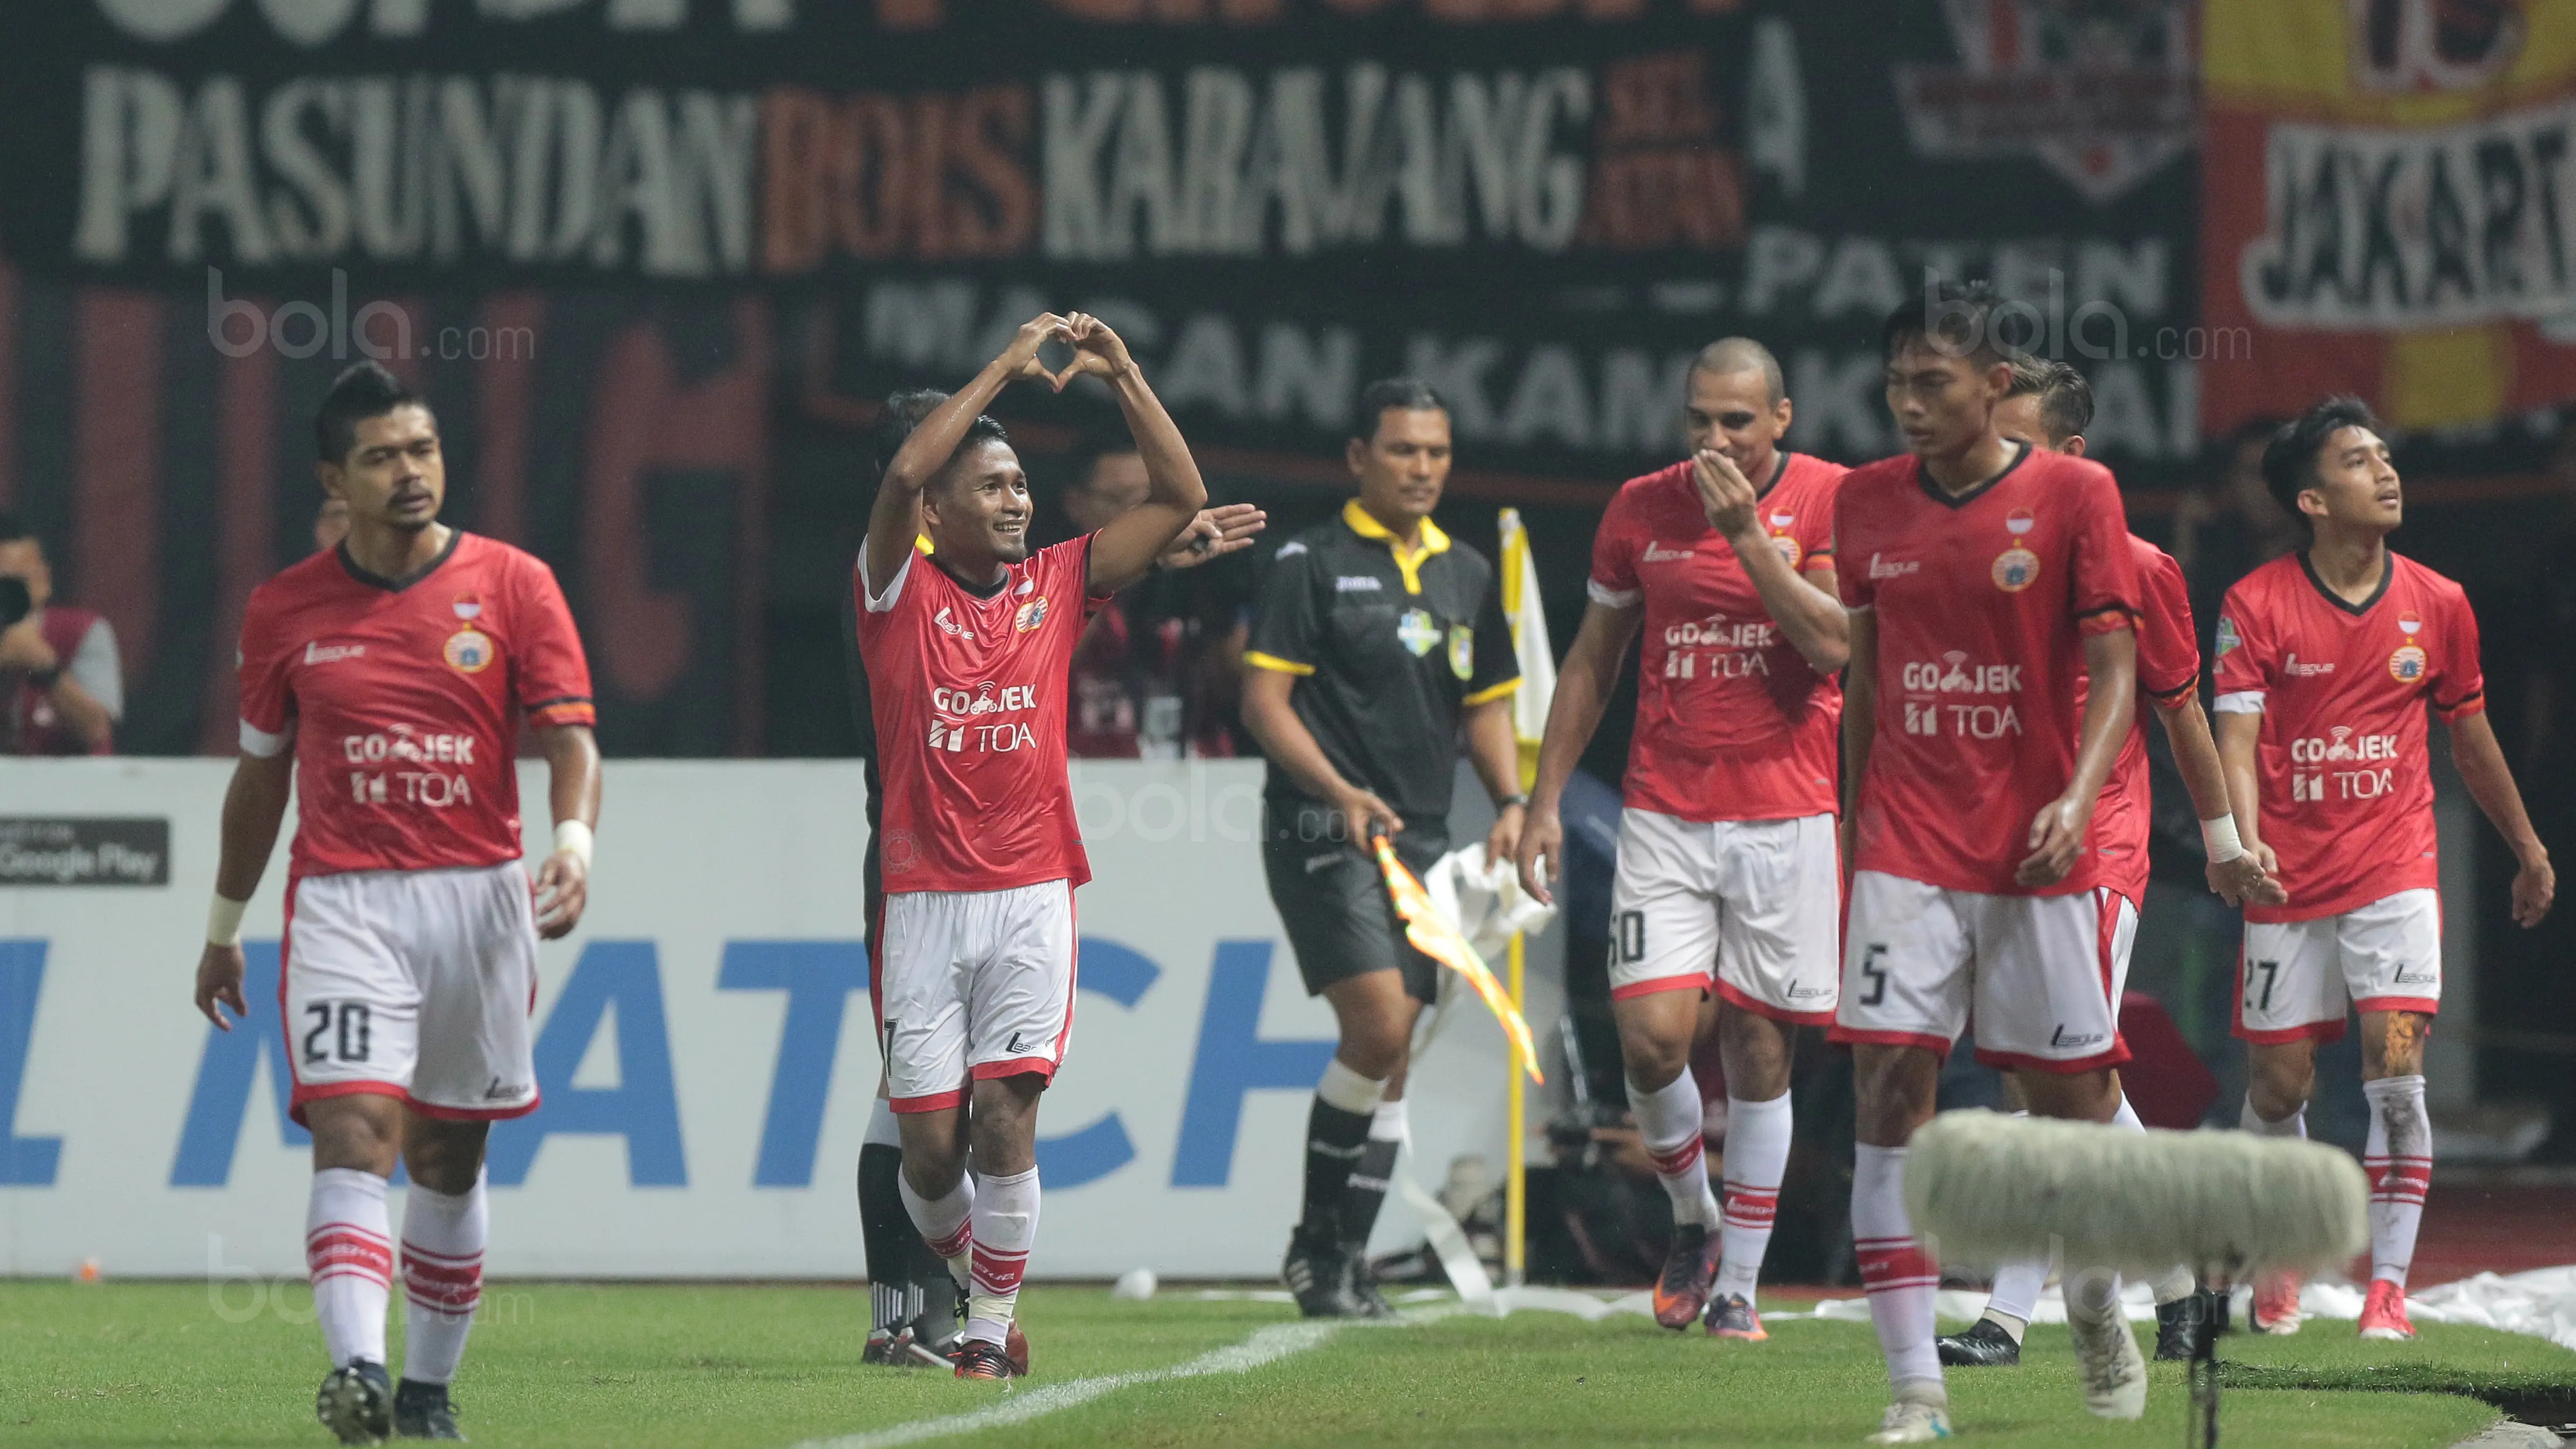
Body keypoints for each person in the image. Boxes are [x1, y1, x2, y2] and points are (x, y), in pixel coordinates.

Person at [190, 361, 603, 1444]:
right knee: (356, 1134)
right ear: (336, 476)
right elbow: (261, 777)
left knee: (446, 1160)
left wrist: (573, 843)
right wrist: (223, 930)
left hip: (479, 903)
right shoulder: (284, 608)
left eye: (421, 448)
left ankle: (427, 1392)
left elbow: (570, 737)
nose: (409, 470)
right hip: (344, 902)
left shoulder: (515, 583)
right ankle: (360, 1374)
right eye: (381, 456)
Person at [849, 407, 1257, 1369]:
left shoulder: (1057, 580)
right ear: (934, 509)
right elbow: (904, 473)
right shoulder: (896, 588)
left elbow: (1182, 495)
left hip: (1031, 886)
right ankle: (974, 1281)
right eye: (991, 485)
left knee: (1004, 1114)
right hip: (919, 897)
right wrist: (1011, 359)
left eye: (1021, 483)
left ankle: (987, 1328)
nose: (1014, 499)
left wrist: (1119, 372)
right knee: (928, 1155)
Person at [1832, 285, 2147, 1442]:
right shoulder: (1864, 504)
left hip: (2034, 847)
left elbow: (2116, 671)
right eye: (1895, 386)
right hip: (1908, 843)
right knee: (1887, 1097)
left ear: (1996, 386)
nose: (1909, 407)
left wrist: (2076, 796)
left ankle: (2099, 1303)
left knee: (2071, 1113)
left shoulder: (2076, 493)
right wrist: (1853, 819)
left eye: (1933, 385)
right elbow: (1866, 670)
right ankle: (1916, 1390)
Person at [1933, 360, 2282, 1371]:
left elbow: (2181, 719)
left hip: (2100, 845)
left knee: (2059, 1077)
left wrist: (2221, 844)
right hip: (1999, 844)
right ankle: (2182, 1283)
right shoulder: (1968, 558)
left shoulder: (2138, 567)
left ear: (2073, 457)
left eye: (2020, 445)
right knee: (2049, 1084)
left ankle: (2005, 1318)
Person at [1515, 338, 1846, 1343]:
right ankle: (1694, 1219)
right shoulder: (1639, 507)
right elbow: (1590, 659)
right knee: (1654, 1041)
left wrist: (1749, 537)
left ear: (1779, 420)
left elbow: (1834, 645)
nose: (1714, 438)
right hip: (1663, 812)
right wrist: (1543, 799)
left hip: (1787, 815)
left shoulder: (1830, 499)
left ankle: (1739, 1285)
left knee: (1756, 1050)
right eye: (1698, 419)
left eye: (1735, 421)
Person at [2212, 395, 2555, 1341]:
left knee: (2393, 1075)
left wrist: (2526, 847)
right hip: (2285, 884)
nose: (2386, 472)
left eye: (2384, 455)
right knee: (2278, 1087)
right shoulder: (2254, 604)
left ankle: (2387, 1290)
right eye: (2358, 461)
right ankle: (2280, 1256)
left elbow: (2473, 739)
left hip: (2393, 873)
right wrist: (2243, 843)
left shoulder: (2438, 602)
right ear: (2313, 500)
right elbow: (2233, 740)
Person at [1241, 378, 1524, 1320]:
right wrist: (1336, 791)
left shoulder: (1467, 572)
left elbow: (1485, 706)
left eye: (1437, 452)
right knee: (1380, 1030)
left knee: (1393, 1059)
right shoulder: (1307, 562)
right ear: (1357, 456)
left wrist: (1515, 800)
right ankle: (1311, 1247)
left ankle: (1341, 1261)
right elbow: (1264, 703)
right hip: (1324, 830)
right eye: (1403, 450)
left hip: (1429, 841)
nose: (1423, 469)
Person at [1050, 436, 1266, 758]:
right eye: (1121, 499)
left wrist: (1219, 600)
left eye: (1150, 499)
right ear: (1075, 503)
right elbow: (1038, 667)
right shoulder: (1051, 579)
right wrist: (1128, 567)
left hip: (1202, 783)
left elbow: (1244, 692)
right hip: (1086, 780)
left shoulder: (1192, 577)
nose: (1140, 515)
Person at [0, 512, 121, 755]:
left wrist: (46, 669)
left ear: (44, 580)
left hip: (73, 787)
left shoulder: (84, 633)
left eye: (19, 583)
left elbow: (96, 730)